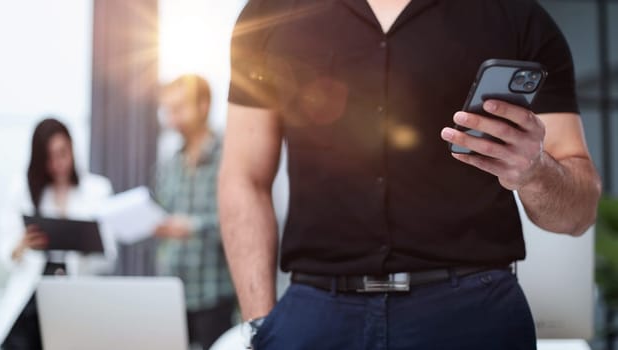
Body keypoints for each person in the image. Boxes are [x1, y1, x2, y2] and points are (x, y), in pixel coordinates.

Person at [219, 1, 602, 349]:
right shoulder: (269, 14)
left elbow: (578, 213)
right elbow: (244, 177)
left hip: (472, 317)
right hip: (314, 316)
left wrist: (534, 170)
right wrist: (259, 321)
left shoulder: (516, 17)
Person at [0, 118, 116, 349]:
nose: (57, 163)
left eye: (62, 153)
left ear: (72, 149)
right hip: (33, 295)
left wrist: (85, 243)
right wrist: (20, 246)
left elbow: (109, 256)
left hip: (77, 292)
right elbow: (6, 252)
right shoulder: (23, 189)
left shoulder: (97, 190)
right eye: (49, 157)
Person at [154, 74, 235, 349]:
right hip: (174, 293)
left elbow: (241, 221)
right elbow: (163, 211)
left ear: (203, 106)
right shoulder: (172, 161)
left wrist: (191, 227)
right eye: (168, 110)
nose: (171, 117)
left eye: (179, 108)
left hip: (214, 295)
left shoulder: (229, 154)